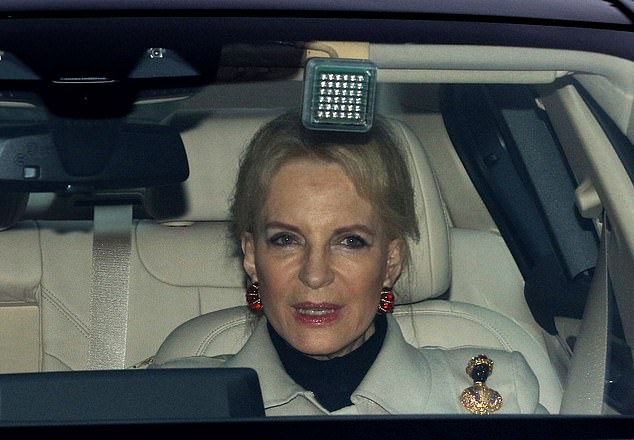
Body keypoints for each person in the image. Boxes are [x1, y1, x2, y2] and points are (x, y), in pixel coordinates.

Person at [155, 112, 546, 416]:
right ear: (253, 257)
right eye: (286, 240)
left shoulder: (498, 399)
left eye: (350, 241)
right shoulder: (172, 404)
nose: (315, 274)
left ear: (391, 261)